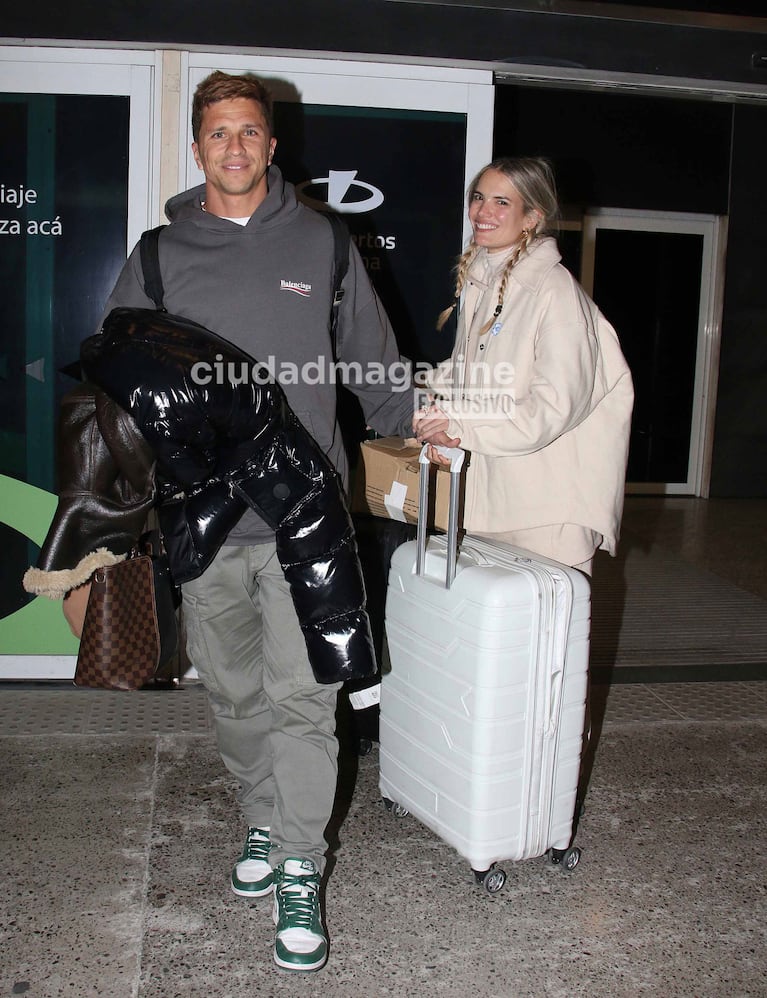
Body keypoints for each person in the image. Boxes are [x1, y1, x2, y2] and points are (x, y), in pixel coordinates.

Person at [61, 70, 413, 973]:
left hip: (308, 520)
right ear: (197, 146)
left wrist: (420, 436)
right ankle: (261, 819)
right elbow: (118, 385)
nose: (235, 147)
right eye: (218, 132)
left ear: (270, 143)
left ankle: (300, 863)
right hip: (205, 526)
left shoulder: (324, 242)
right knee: (233, 698)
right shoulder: (160, 254)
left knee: (306, 702)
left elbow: (374, 367)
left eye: (249, 131)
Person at [412, 156, 634, 575]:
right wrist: (423, 402)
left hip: (545, 514)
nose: (483, 212)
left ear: (533, 216)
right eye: (479, 198)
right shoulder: (485, 283)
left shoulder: (554, 292)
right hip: (492, 501)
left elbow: (551, 409)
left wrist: (458, 427)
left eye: (501, 202)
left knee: (544, 638)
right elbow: (471, 377)